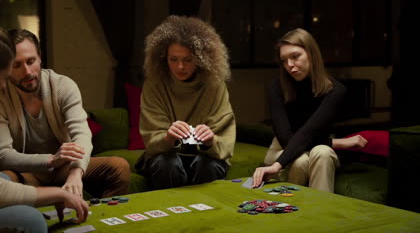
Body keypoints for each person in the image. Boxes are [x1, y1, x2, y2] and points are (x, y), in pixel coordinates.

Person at [0, 12, 88, 232]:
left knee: (3, 178)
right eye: (5, 77)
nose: (5, 87)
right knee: (30, 220)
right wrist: (58, 193)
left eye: (31, 61)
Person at [0, 29, 130, 198]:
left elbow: (81, 134)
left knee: (119, 167)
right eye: (17, 65)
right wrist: (51, 160)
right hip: (26, 172)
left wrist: (76, 173)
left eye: (31, 61)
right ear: (6, 68)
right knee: (2, 180)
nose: (27, 71)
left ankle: (101, 219)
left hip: (64, 169)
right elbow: (2, 155)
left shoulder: (62, 86)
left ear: (40, 57)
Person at [252, 28, 367, 192]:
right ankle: (292, 212)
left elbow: (309, 131)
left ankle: (321, 213)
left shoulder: (335, 90)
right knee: (302, 160)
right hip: (282, 150)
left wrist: (327, 145)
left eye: (295, 56)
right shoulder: (276, 87)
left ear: (311, 54)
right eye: (284, 60)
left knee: (323, 152)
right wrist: (337, 143)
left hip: (316, 148)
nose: (289, 65)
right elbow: (285, 138)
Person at [135, 15, 236, 190]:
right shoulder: (154, 85)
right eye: (173, 59)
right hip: (165, 156)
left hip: (207, 156)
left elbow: (225, 144)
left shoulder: (215, 85)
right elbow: (152, 140)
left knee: (208, 166)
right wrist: (167, 137)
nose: (180, 67)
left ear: (202, 58)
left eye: (188, 60)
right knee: (167, 164)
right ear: (163, 58)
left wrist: (210, 139)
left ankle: (205, 214)